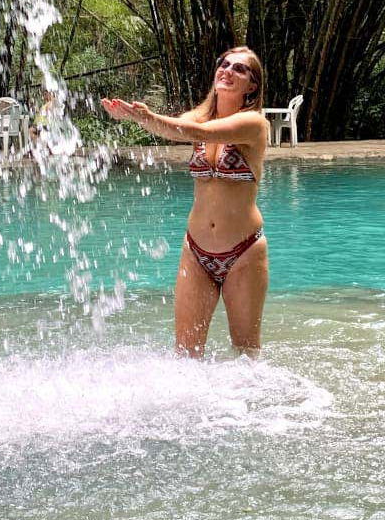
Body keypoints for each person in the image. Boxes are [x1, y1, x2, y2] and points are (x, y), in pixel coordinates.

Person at [102, 46, 270, 358]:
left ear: (252, 86)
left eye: (239, 69)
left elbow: (195, 131)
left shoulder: (254, 124)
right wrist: (136, 117)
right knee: (185, 355)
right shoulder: (198, 116)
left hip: (243, 253)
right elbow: (176, 128)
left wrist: (149, 118)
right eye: (224, 64)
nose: (228, 71)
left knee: (246, 354)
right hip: (196, 251)